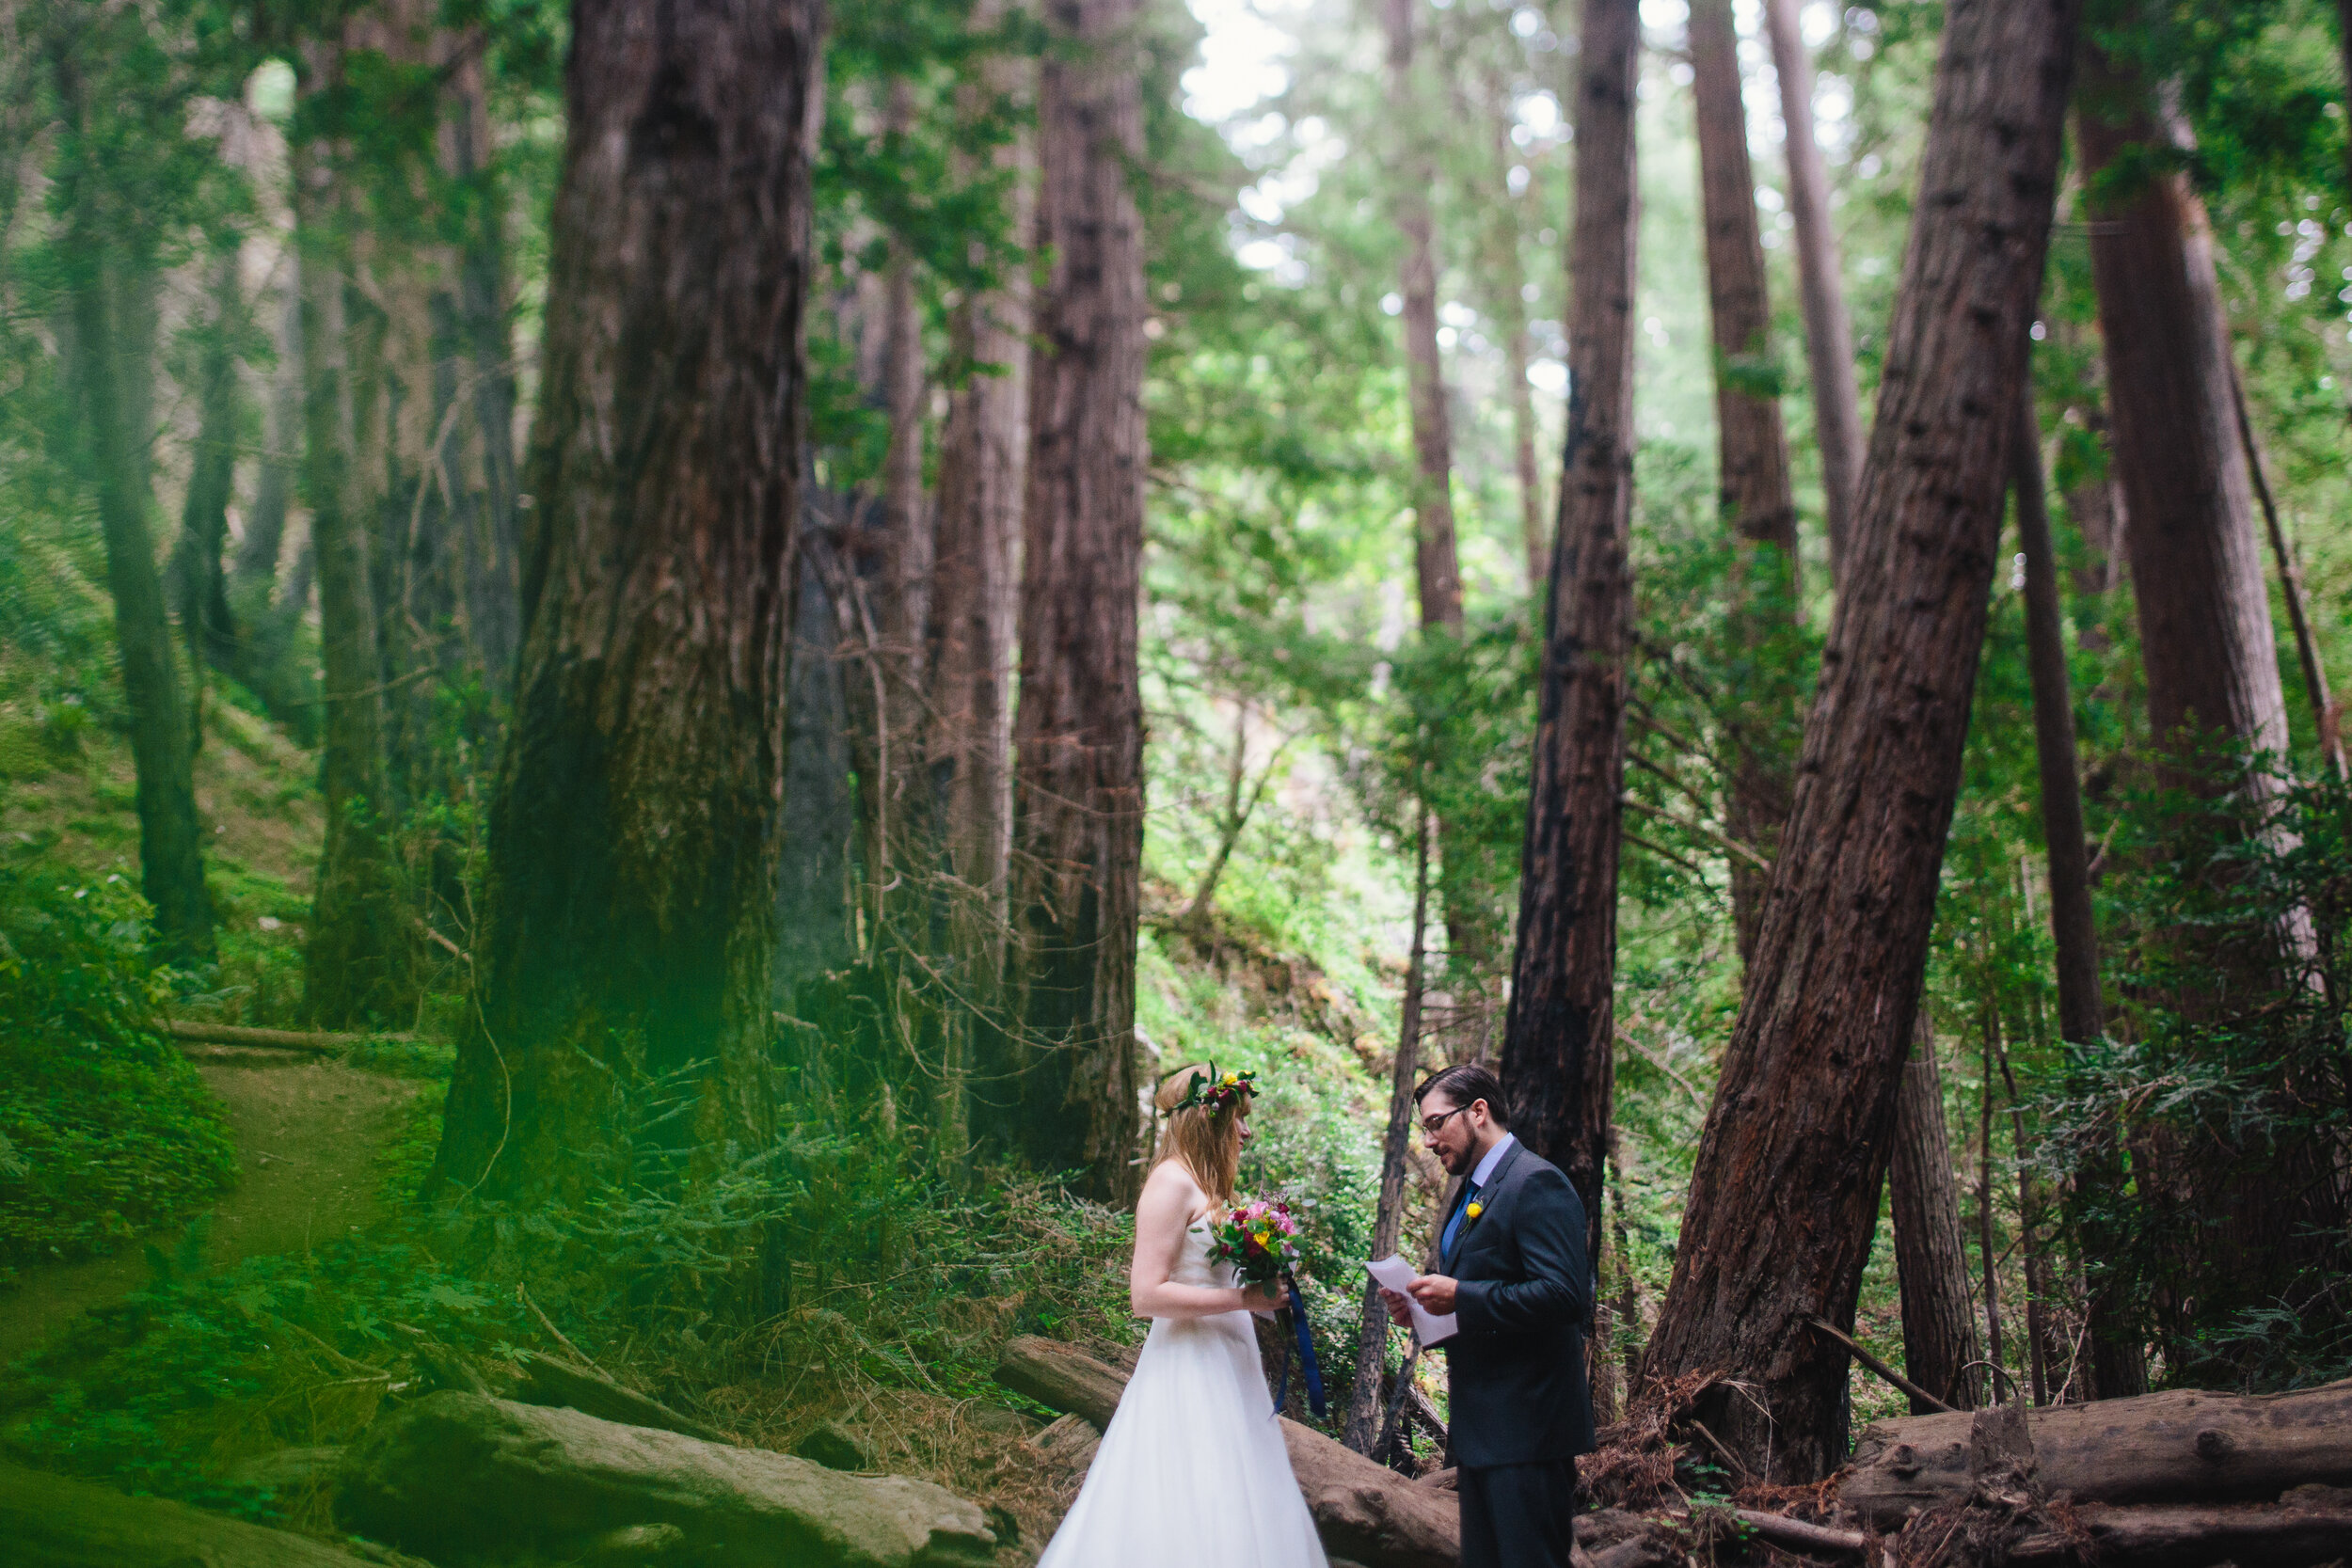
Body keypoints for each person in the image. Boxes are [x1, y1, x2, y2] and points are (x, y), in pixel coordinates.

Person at [1035, 1063, 1329, 1568]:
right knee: (1191, 1491)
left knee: (1241, 1495)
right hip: (1188, 1365)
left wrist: (1263, 1280)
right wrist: (1244, 1300)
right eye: (1238, 1118)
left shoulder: (1208, 1188)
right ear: (1207, 1119)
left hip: (1232, 1363)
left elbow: (1209, 1278)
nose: (1246, 1130)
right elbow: (1145, 1295)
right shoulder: (1170, 1183)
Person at [1381, 1062, 1594, 1568]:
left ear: (1478, 1112)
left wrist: (1463, 1295)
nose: (1429, 1142)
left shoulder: (1535, 1181)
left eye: (1436, 1123)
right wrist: (1424, 1312)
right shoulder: (1470, 1192)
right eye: (1425, 1129)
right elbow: (1486, 1301)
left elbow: (1565, 1296)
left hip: (1529, 1432)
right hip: (1481, 1432)